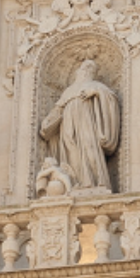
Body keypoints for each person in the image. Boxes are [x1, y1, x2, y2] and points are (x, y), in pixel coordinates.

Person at [38, 59, 119, 192]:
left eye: (88, 68)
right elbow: (58, 108)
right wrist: (48, 123)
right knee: (72, 151)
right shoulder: (69, 90)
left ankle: (95, 183)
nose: (84, 71)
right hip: (68, 125)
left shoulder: (97, 86)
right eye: (83, 68)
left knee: (90, 148)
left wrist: (96, 93)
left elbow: (111, 101)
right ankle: (76, 183)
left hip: (87, 123)